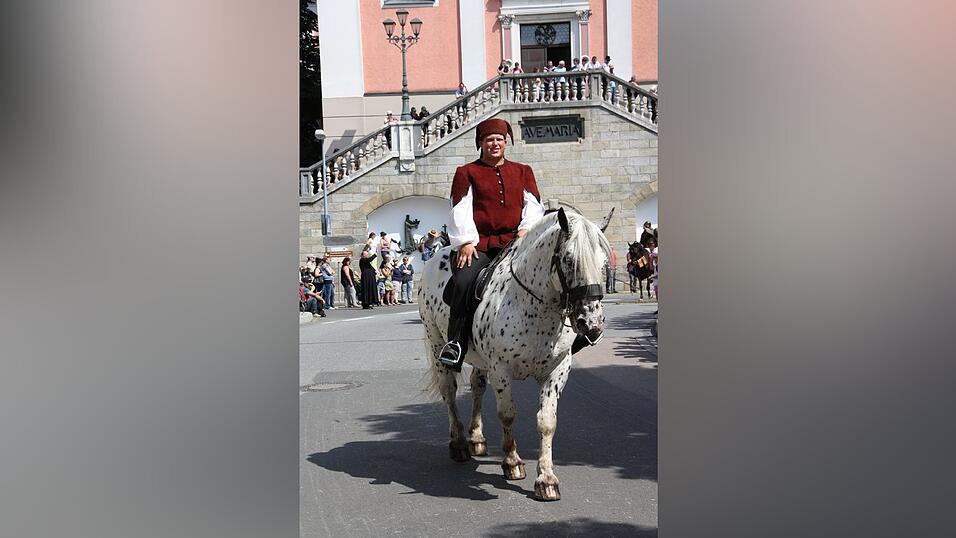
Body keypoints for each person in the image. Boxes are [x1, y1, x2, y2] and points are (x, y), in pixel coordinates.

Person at [438, 118, 545, 370]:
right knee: (463, 282)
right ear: (480, 143)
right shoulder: (466, 172)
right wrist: (465, 241)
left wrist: (526, 229)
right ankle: (456, 343)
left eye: (499, 139)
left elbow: (533, 203)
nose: (495, 144)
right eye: (489, 140)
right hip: (481, 244)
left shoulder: (523, 171)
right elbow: (460, 208)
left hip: (515, 241)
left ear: (506, 143)